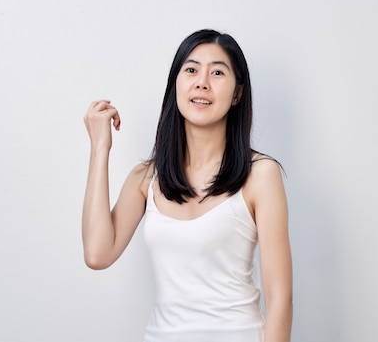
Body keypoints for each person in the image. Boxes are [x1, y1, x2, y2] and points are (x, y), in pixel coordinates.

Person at [82, 29, 292, 342]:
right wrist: (100, 149)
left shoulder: (260, 174)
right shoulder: (146, 178)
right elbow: (98, 254)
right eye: (191, 70)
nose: (202, 82)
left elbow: (280, 300)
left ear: (237, 93)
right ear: (176, 84)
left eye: (218, 72)